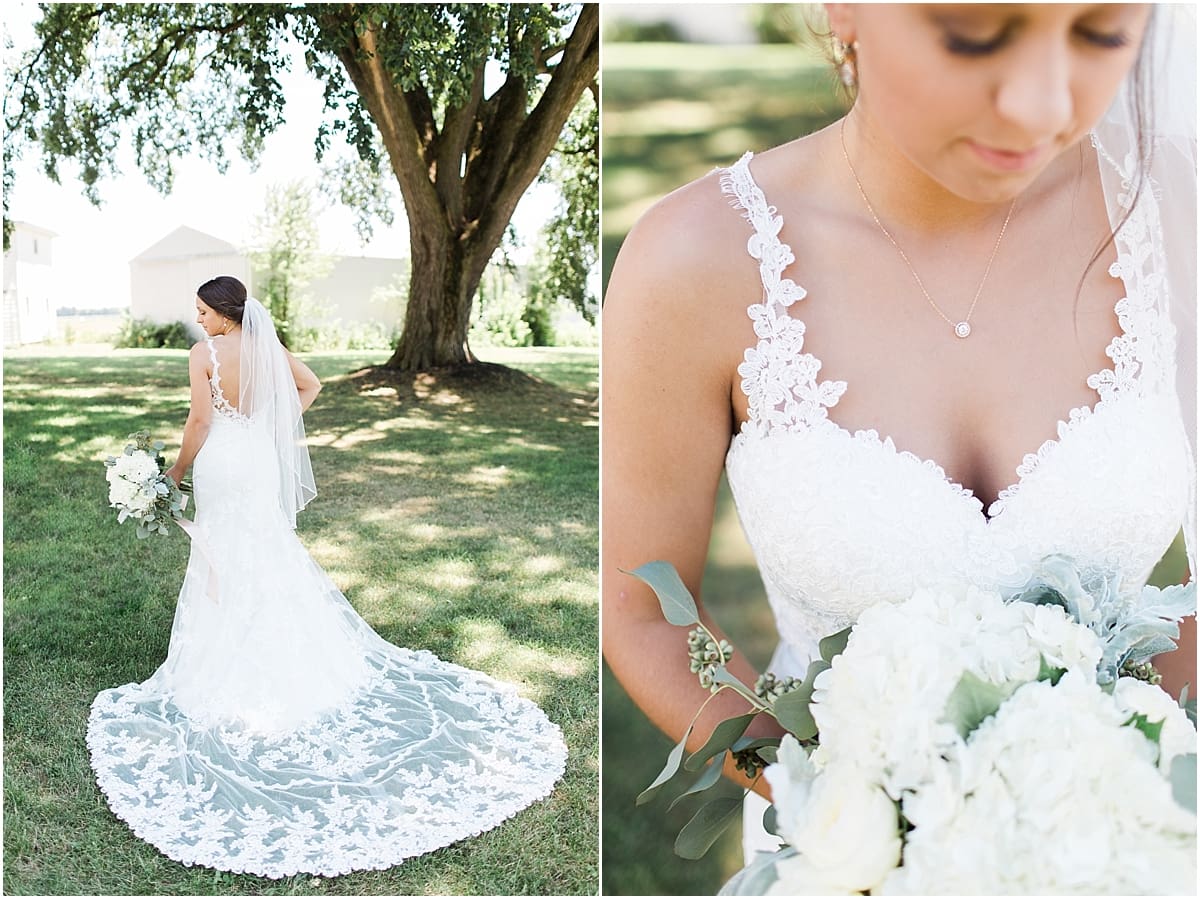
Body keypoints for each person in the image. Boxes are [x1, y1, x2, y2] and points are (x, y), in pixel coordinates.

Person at [602, 1, 1195, 869]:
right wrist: (863, 816)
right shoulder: (692, 263)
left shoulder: (1177, 214)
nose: (1041, 104)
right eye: (975, 31)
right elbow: (643, 611)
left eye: (1100, 30)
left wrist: (1134, 778)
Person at [87, 276, 567, 879]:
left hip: (222, 466)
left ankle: (228, 653)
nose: (198, 320)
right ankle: (288, 649)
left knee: (225, 554)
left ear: (225, 314)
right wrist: (271, 424)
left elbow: (200, 422)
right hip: (257, 462)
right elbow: (308, 386)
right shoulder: (266, 347)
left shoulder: (203, 355)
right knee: (264, 549)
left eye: (203, 311)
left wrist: (174, 474)